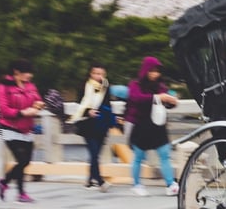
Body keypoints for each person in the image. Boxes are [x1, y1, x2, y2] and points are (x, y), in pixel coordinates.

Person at [125, 56, 180, 196]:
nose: (155, 74)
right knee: (138, 156)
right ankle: (136, 184)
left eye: (157, 71)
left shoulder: (161, 86)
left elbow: (166, 103)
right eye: (152, 71)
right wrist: (157, 98)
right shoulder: (135, 84)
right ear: (145, 70)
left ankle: (170, 184)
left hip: (158, 126)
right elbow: (136, 98)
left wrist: (171, 101)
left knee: (165, 154)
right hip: (141, 125)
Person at [0, 59, 44, 203]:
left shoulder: (30, 85)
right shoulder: (3, 86)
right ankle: (21, 193)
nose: (30, 75)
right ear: (17, 72)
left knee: (25, 162)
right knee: (21, 160)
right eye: (27, 72)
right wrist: (22, 113)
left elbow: (37, 99)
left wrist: (38, 104)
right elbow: (4, 109)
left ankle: (5, 183)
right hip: (8, 128)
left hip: (27, 128)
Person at [66, 63, 116, 191]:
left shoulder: (106, 86)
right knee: (94, 152)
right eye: (96, 73)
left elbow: (107, 103)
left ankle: (89, 180)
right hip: (87, 124)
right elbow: (79, 104)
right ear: (91, 74)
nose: (98, 76)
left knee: (96, 153)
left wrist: (111, 119)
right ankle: (100, 181)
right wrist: (88, 111)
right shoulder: (84, 86)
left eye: (101, 74)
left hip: (102, 122)